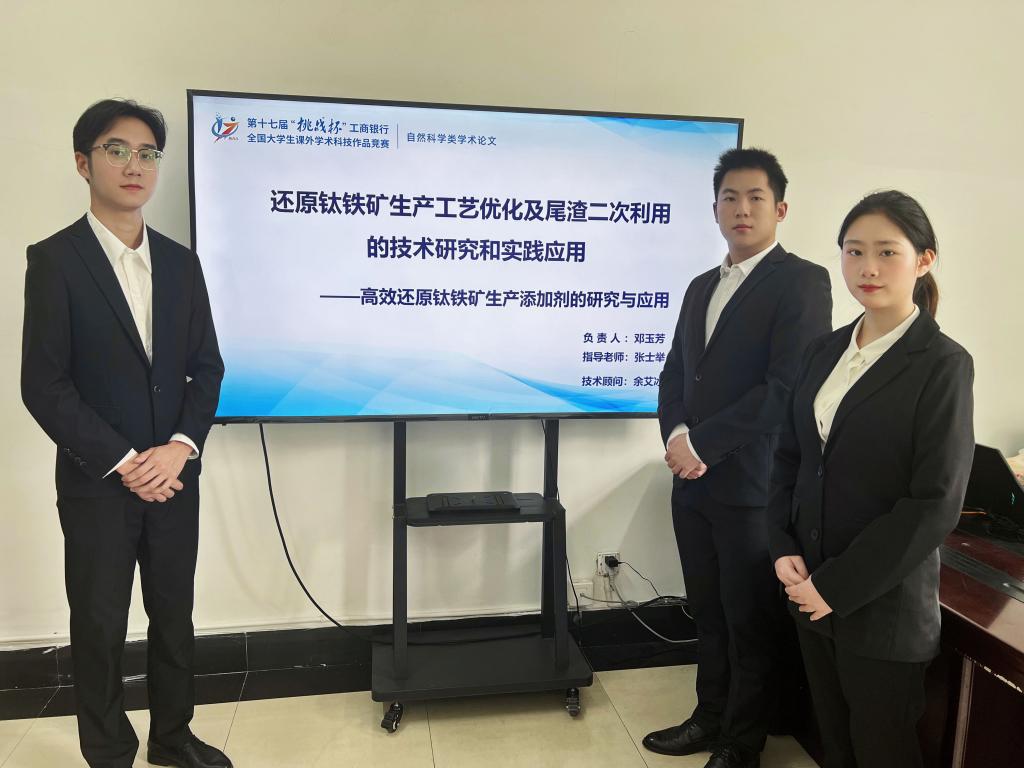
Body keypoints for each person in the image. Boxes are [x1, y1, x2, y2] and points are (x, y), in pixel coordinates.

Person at [21, 99, 229, 768]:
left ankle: (173, 737)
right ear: (84, 163)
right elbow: (44, 385)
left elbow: (207, 369)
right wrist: (124, 460)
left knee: (174, 616)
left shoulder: (181, 264)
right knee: (100, 623)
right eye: (117, 150)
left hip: (173, 481)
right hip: (98, 485)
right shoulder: (55, 260)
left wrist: (179, 449)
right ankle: (109, 751)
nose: (134, 165)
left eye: (147, 154)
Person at [768, 190, 974, 768]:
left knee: (883, 752)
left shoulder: (942, 363)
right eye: (854, 251)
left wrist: (833, 588)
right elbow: (790, 457)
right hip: (809, 590)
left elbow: (934, 503)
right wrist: (781, 546)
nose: (868, 268)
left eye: (887, 252)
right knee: (834, 746)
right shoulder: (824, 351)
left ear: (923, 260)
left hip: (882, 609)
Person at [646, 148, 832, 768]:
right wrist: (677, 436)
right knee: (708, 611)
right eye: (730, 198)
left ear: (781, 209)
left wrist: (702, 445)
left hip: (754, 486)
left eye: (756, 198)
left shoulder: (801, 281)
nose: (742, 209)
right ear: (715, 210)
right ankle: (709, 717)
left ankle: (741, 743)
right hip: (693, 485)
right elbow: (675, 374)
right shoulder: (701, 285)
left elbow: (786, 388)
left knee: (748, 618)